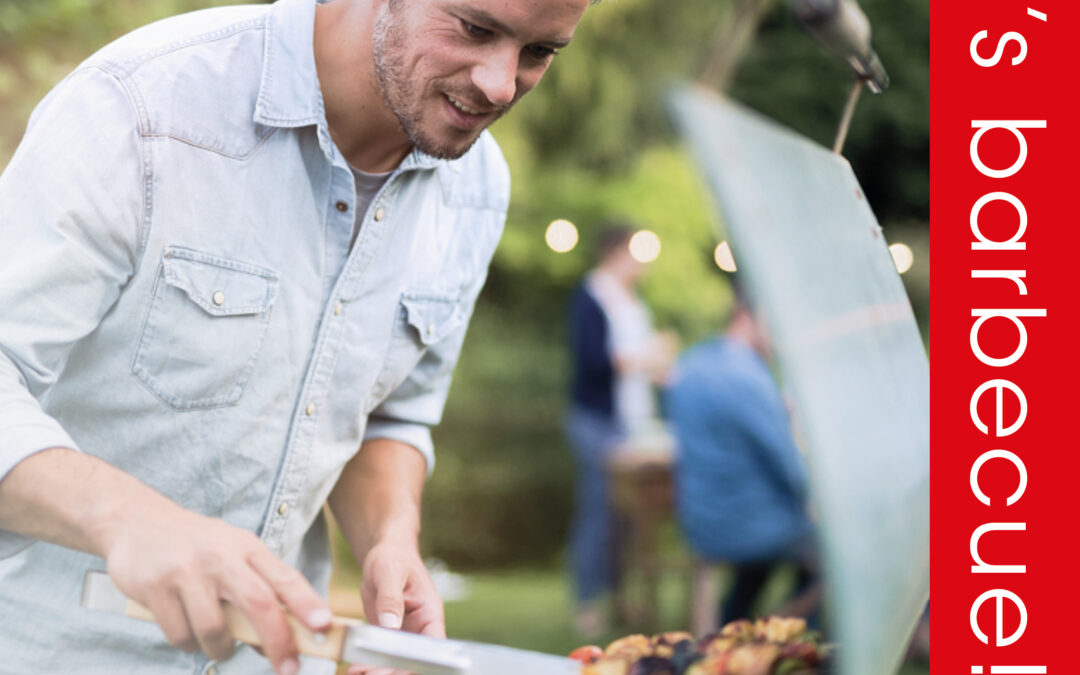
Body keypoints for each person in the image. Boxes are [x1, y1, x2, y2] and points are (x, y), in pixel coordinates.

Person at [0, 0, 591, 673]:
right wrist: (130, 518)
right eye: (475, 28)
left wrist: (388, 538)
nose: (499, 82)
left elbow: (386, 413)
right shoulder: (142, 107)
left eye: (540, 52)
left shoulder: (477, 188)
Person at [666, 297, 818, 626]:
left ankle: (732, 625)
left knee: (763, 561)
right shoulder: (750, 377)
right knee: (832, 549)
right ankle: (796, 639)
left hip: (701, 520)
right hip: (750, 524)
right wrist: (814, 498)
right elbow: (787, 465)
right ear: (746, 317)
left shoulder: (690, 365)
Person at [565, 224, 677, 636]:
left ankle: (621, 598)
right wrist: (645, 356)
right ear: (616, 252)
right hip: (598, 421)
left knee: (631, 517)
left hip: (634, 421)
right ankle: (587, 602)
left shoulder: (634, 301)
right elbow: (593, 361)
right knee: (599, 510)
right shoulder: (591, 297)